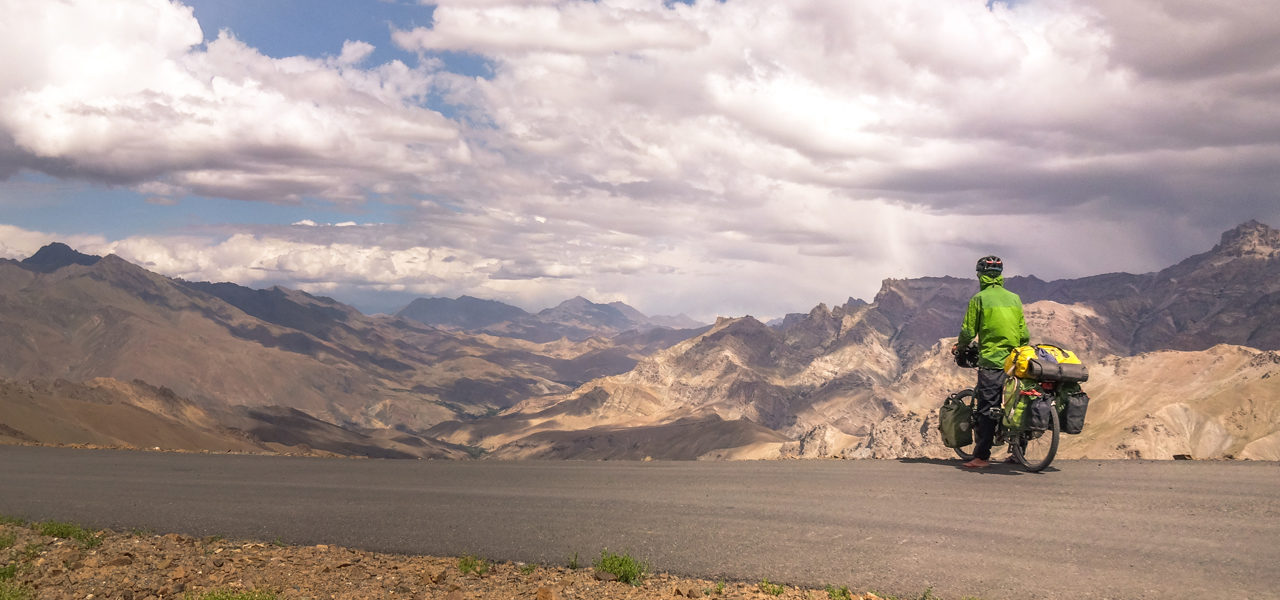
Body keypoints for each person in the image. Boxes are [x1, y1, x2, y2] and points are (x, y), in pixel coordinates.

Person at [955, 255, 1029, 468]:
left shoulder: (979, 299)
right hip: (1016, 363)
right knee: (1018, 404)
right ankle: (1018, 453)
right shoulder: (1015, 298)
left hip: (992, 361)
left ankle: (981, 457)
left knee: (987, 407)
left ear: (980, 275)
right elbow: (1024, 335)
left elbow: (968, 331)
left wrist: (960, 347)